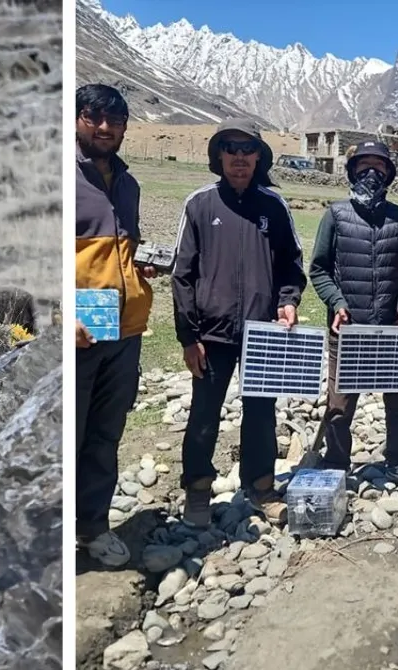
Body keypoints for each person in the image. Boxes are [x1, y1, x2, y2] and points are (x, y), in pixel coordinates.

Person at [171, 119, 307, 528]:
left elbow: (291, 264)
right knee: (204, 414)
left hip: (262, 331)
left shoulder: (274, 206)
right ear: (219, 156)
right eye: (230, 148)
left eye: (248, 149)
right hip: (211, 336)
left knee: (262, 411)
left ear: (258, 157)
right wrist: (187, 336)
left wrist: (287, 301)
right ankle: (197, 491)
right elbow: (182, 274)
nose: (239, 157)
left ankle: (261, 487)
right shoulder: (200, 204)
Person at [308, 141, 398, 489]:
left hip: (390, 329)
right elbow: (318, 269)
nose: (371, 174)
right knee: (339, 404)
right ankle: (336, 464)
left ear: (389, 174)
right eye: (364, 167)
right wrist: (337, 301)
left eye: (379, 167)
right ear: (352, 172)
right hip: (347, 328)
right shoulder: (335, 215)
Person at [74, 84, 158, 567]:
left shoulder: (128, 183)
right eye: (93, 117)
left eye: (115, 120)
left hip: (123, 327)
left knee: (105, 433)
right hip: (80, 326)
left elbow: (120, 250)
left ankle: (93, 527)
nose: (104, 128)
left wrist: (140, 268)